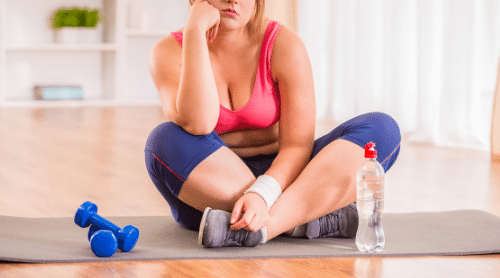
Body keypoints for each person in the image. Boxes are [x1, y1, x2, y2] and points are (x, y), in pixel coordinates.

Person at [145, 0, 401, 248]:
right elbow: (199, 123)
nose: (232, 0)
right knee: (162, 140)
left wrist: (262, 194)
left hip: (286, 176)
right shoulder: (167, 52)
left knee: (382, 130)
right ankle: (308, 217)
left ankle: (263, 227)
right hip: (211, 187)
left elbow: (297, 146)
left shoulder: (283, 44)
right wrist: (194, 32)